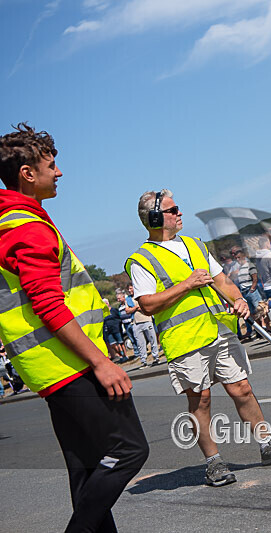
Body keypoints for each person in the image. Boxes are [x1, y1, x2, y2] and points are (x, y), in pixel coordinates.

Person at [0, 123, 148, 531]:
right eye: (51, 164)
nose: (59, 172)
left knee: (86, 467)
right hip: (69, 364)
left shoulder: (15, 220)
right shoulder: (26, 227)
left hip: (50, 367)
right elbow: (47, 303)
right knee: (129, 450)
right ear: (27, 174)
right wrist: (101, 362)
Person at [126, 189, 271, 487]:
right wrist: (186, 284)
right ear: (155, 218)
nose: (180, 213)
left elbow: (222, 280)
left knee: (242, 387)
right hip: (186, 339)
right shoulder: (142, 258)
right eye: (173, 209)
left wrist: (239, 299)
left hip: (219, 330)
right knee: (201, 400)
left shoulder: (194, 244)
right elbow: (147, 304)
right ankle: (213, 462)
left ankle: (268, 445)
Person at [125, 283, 161, 367]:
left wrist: (134, 308)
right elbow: (127, 311)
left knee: (152, 340)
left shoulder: (142, 296)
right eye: (129, 289)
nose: (130, 290)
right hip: (135, 323)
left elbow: (146, 307)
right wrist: (136, 307)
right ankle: (143, 361)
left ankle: (156, 357)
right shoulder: (128, 299)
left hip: (147, 320)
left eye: (131, 288)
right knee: (140, 343)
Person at [231, 245, 262, 341]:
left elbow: (255, 277)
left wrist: (252, 288)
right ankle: (259, 332)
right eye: (236, 258)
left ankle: (266, 329)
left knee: (260, 310)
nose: (237, 259)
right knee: (252, 313)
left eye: (239, 257)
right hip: (244, 292)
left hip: (250, 291)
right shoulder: (239, 268)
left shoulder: (249, 264)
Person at [101, 298, 128, 363]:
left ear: (107, 303)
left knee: (121, 342)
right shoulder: (102, 313)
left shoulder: (114, 310)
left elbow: (119, 317)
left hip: (117, 329)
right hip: (108, 330)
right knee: (113, 345)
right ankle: (120, 354)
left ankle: (125, 355)